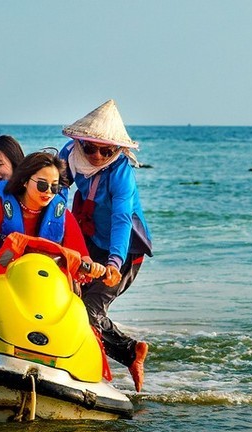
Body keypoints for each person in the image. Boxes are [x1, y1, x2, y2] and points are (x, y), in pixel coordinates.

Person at [0, 150, 114, 338]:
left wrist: (94, 267)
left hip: (45, 283)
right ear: (25, 181)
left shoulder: (62, 216)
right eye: (42, 184)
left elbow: (82, 256)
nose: (48, 192)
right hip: (2, 275)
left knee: (79, 315)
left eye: (54, 187)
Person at [59, 99, 153, 391]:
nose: (97, 155)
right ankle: (122, 352)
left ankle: (121, 355)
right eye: (89, 147)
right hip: (88, 239)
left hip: (123, 249)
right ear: (78, 142)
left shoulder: (121, 171)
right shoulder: (69, 156)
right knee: (65, 301)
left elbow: (122, 218)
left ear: (118, 151)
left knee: (88, 311)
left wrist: (113, 263)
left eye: (106, 150)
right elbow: (57, 195)